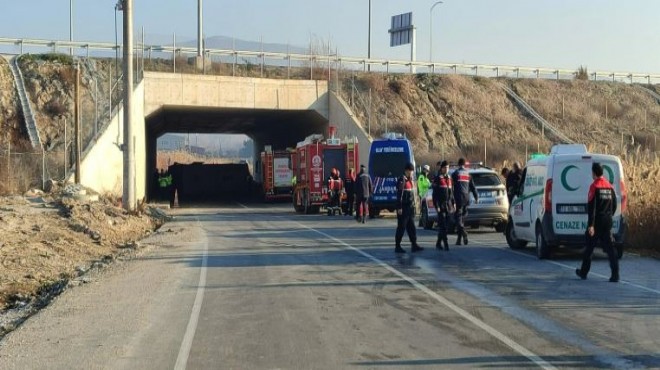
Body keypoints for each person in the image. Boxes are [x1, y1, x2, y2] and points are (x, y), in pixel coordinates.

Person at [576, 163, 619, 282]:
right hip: (607, 221)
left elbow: (592, 208)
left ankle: (583, 272)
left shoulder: (594, 186)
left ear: (594, 173)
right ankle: (615, 275)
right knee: (610, 250)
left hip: (597, 222)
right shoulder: (609, 186)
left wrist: (591, 225)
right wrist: (609, 215)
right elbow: (614, 204)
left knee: (589, 248)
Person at [395, 163, 423, 254]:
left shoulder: (411, 180)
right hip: (403, 208)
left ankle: (414, 244)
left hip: (410, 208)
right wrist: (399, 207)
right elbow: (399, 195)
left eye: (412, 171)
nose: (412, 173)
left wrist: (416, 205)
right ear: (406, 170)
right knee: (401, 227)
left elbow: (414, 195)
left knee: (412, 227)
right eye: (411, 171)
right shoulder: (402, 180)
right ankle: (397, 246)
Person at [452, 158, 478, 245]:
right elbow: (473, 187)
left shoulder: (455, 174)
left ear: (458, 164)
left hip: (458, 197)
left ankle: (464, 232)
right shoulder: (468, 174)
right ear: (464, 164)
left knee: (458, 218)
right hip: (466, 198)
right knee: (462, 219)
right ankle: (459, 240)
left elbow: (451, 187)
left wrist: (451, 199)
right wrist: (476, 197)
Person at [433, 160, 454, 251]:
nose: (447, 169)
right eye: (445, 167)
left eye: (448, 168)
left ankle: (438, 243)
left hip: (448, 205)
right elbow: (435, 194)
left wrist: (453, 203)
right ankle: (446, 244)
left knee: (446, 224)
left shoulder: (449, 178)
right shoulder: (438, 179)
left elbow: (451, 193)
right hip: (440, 205)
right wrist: (436, 205)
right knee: (443, 226)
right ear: (441, 169)